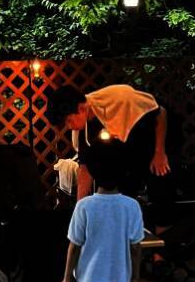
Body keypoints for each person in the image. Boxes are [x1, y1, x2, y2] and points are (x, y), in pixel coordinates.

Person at [47, 84, 177, 220]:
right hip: (129, 150)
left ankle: (164, 229)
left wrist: (159, 152)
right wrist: (80, 208)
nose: (69, 127)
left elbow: (160, 113)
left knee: (161, 190)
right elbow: (84, 168)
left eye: (69, 121)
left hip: (158, 135)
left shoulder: (121, 99)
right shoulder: (84, 128)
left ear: (81, 108)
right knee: (119, 187)